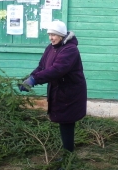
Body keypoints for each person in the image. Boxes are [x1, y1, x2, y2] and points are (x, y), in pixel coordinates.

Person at [19, 20, 87, 152]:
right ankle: (67, 150)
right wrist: (30, 77)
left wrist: (35, 80)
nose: (51, 38)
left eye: (54, 35)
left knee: (67, 121)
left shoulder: (70, 50)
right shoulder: (50, 48)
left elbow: (57, 70)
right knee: (63, 121)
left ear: (61, 35)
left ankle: (68, 155)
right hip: (58, 90)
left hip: (70, 92)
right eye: (49, 34)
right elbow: (42, 66)